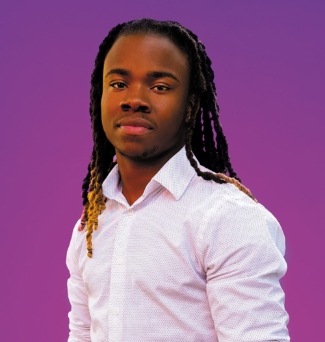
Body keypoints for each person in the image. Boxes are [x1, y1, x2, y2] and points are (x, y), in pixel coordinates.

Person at [66, 18, 290, 342]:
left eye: (159, 87)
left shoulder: (229, 219)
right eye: (118, 84)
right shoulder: (90, 227)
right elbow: (82, 334)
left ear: (189, 107)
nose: (134, 99)